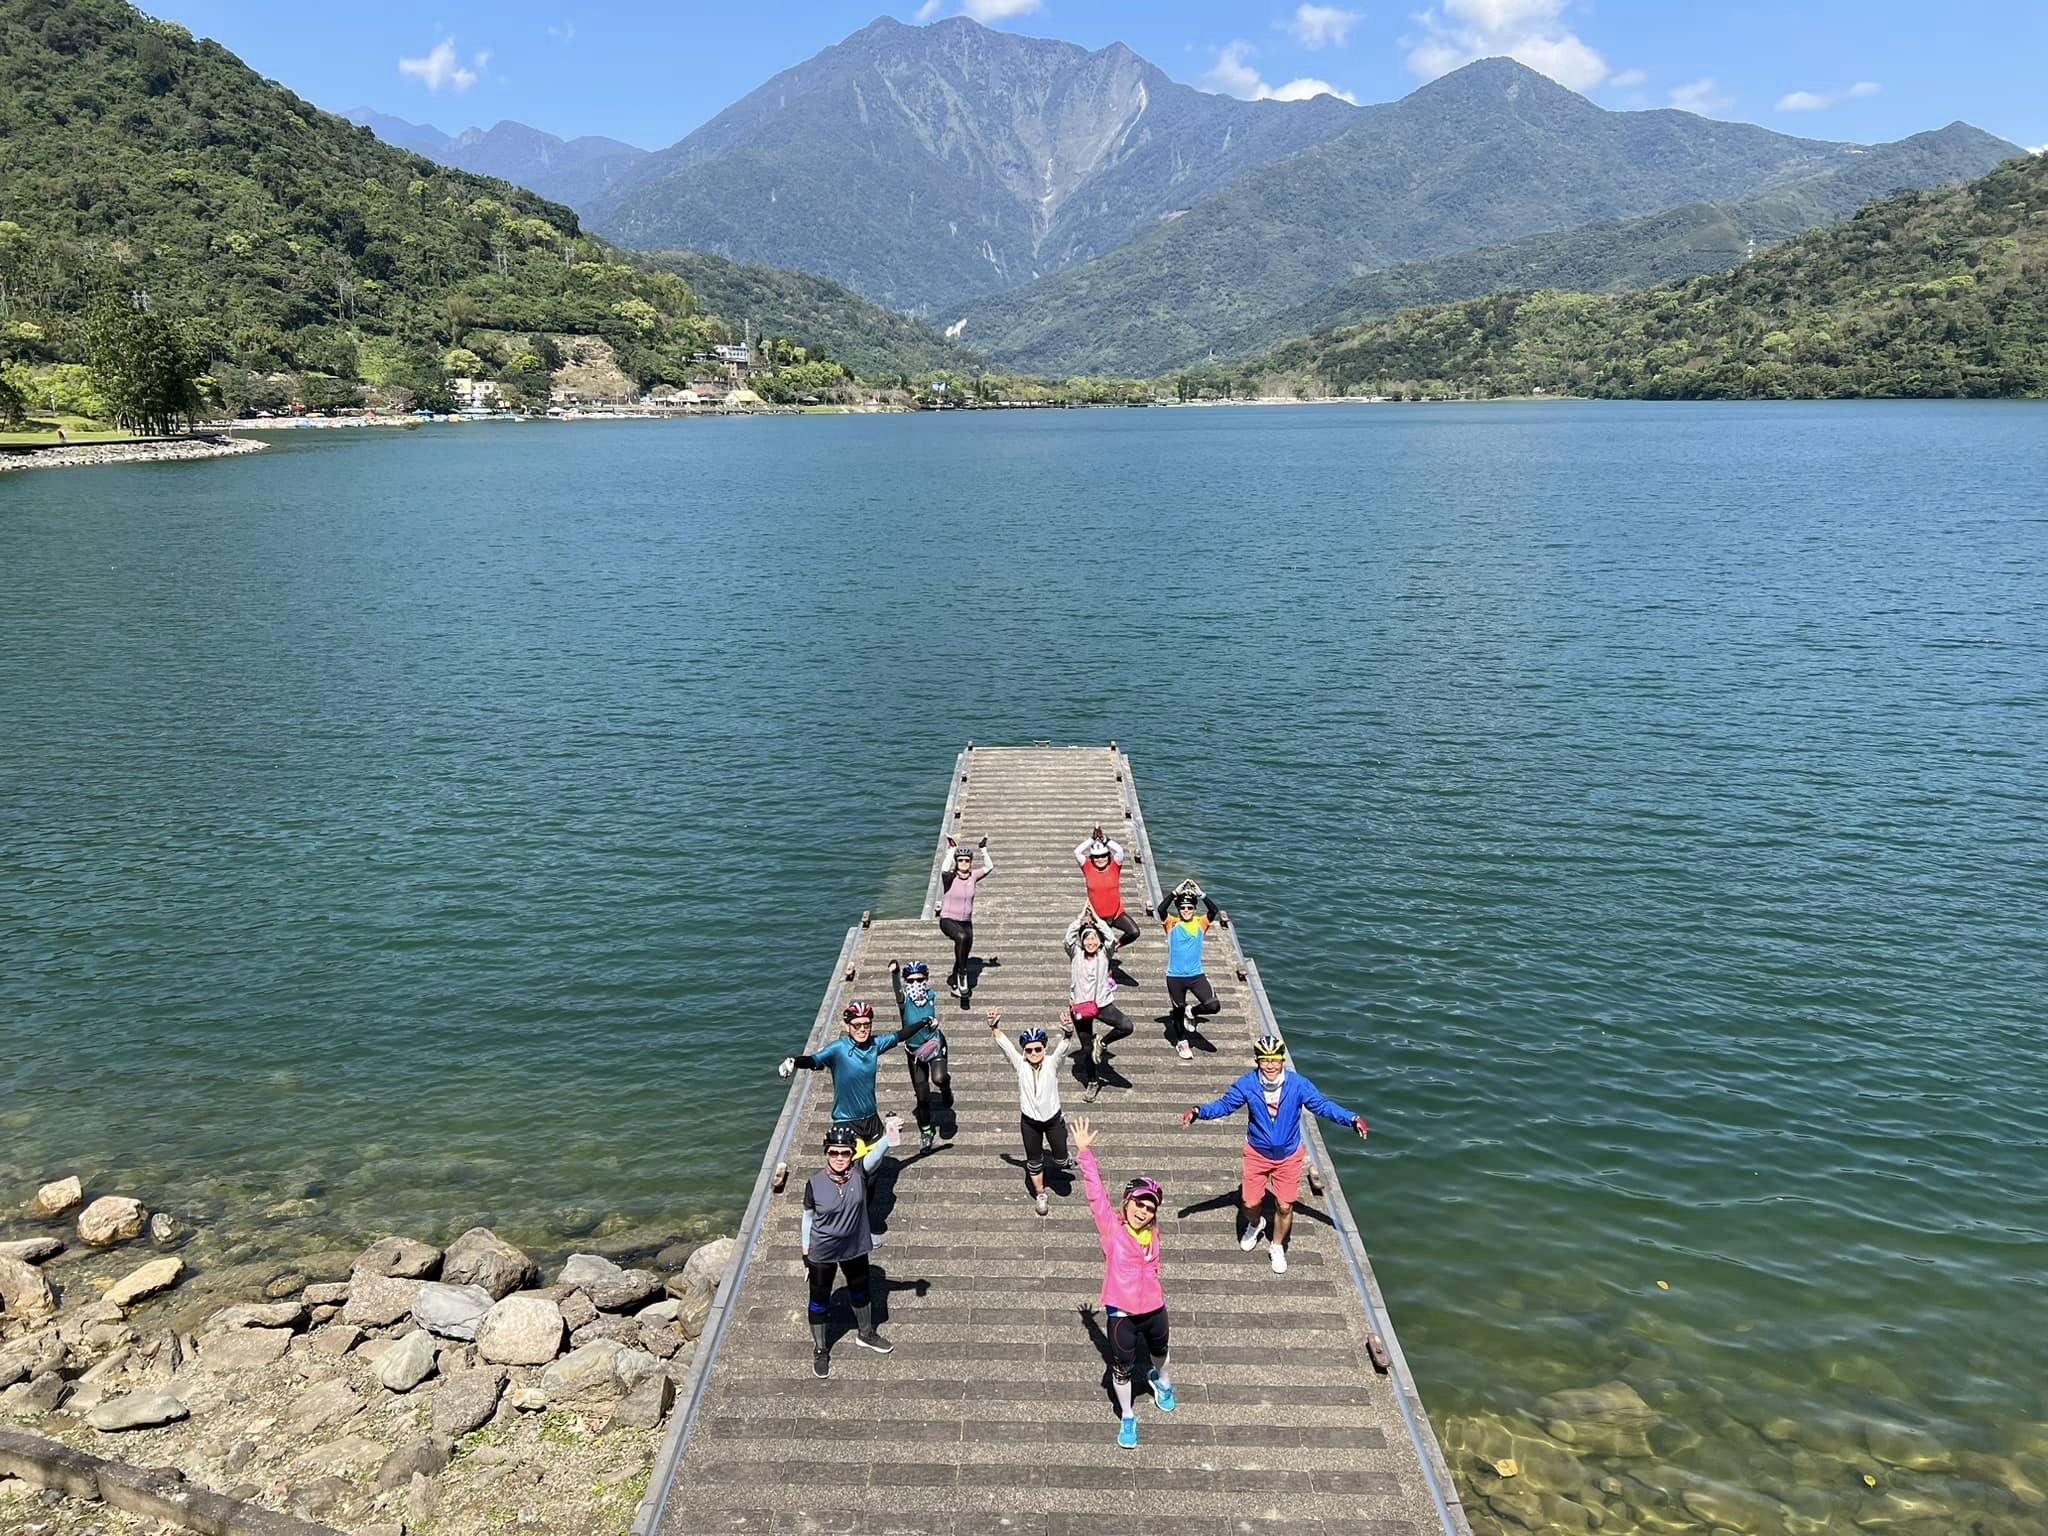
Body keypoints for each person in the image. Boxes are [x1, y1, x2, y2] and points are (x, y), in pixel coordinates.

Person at [1181, 1034, 1368, 1275]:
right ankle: (1256, 1224)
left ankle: (1277, 1245)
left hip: (1289, 1156)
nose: (1270, 1065)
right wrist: (1199, 1111)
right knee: (1249, 1203)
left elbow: (1322, 1106)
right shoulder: (1247, 1084)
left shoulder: (1298, 1085)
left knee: (1285, 1206)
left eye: (1275, 1060)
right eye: (1265, 1060)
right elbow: (1224, 1105)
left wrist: (1351, 1119)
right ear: (1257, 1061)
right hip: (1256, 1153)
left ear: (1282, 1060)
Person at [1070, 1115, 1175, 1449]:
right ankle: (1128, 1416)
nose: (1143, 1211)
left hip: (1155, 1309)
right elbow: (1096, 1196)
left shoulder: (1153, 1234)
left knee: (1161, 1354)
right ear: (1127, 1202)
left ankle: (1163, 1383)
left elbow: (1154, 1267)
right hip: (1122, 1316)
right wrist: (1085, 1153)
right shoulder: (1112, 1230)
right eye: (1139, 1204)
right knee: (1121, 1369)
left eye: (1150, 1208)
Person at [801, 1122, 895, 1378]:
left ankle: (866, 1333)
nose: (839, 1158)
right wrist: (805, 1253)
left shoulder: (859, 1174)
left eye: (845, 1153)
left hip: (855, 1247)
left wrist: (891, 1130)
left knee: (861, 1290)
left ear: (853, 1154)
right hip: (822, 1251)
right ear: (826, 1153)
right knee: (819, 1299)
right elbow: (807, 1218)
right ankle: (821, 1349)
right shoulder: (814, 1183)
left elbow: (879, 1151)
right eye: (833, 1152)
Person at [779, 1002, 903, 1151]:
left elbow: (900, 1035)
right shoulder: (838, 1048)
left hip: (871, 1118)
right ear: (847, 1026)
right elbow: (813, 1060)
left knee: (876, 1160)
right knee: (859, 1161)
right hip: (846, 1120)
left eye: (866, 1025)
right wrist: (794, 1061)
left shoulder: (874, 1044)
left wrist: (924, 1021)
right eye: (857, 1025)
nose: (862, 1029)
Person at [987, 1007, 1075, 1217]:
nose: (1034, 1054)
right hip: (1030, 1123)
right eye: (1029, 1050)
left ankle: (1064, 1157)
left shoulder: (1052, 1064)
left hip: (1053, 1120)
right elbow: (1006, 1047)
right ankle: (1040, 1194)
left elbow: (1063, 1049)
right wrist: (995, 1027)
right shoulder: (1020, 1065)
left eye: (1038, 1049)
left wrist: (1068, 1033)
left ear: (1044, 1048)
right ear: (1024, 1051)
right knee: (1034, 1162)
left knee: (1061, 1161)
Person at [1064, 911, 1133, 1104]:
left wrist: (1096, 918)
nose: (1091, 942)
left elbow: (1110, 939)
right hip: (1081, 1006)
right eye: (1087, 939)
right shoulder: (1076, 954)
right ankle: (1093, 1082)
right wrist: (1080, 919)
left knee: (1126, 1026)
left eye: (1094, 939)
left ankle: (1102, 1043)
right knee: (1087, 1049)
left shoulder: (1104, 954)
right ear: (1082, 941)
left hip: (1102, 1004)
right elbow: (1068, 939)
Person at [1160, 879, 1226, 1060]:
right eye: (1182, 908)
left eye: (1190, 908)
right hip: (1175, 977)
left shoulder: (1200, 923)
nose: (1186, 910)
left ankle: (1193, 1012)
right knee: (1178, 1011)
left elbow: (1213, 911)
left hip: (1196, 975)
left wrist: (1201, 894)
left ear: (1195, 909)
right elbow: (1161, 910)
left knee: (1213, 1005)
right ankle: (1182, 1042)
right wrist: (1174, 892)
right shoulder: (1172, 923)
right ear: (1178, 909)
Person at [889, 959, 950, 1151]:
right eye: (911, 980)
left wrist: (934, 1023)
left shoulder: (931, 995)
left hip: (934, 1045)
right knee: (922, 1097)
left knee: (939, 1078)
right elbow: (897, 990)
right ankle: (926, 1131)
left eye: (920, 979)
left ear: (926, 979)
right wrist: (895, 974)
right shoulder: (904, 1000)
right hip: (914, 1052)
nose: (916, 984)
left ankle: (946, 1087)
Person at [937, 835, 994, 1003]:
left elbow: (989, 867)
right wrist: (952, 850)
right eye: (960, 860)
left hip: (966, 922)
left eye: (967, 860)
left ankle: (955, 984)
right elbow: (944, 869)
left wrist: (983, 849)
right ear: (956, 862)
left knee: (964, 951)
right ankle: (962, 976)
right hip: (948, 919)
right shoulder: (950, 878)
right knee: (961, 937)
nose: (964, 863)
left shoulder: (973, 876)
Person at [1074, 827, 1141, 949]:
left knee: (1134, 932)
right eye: (1096, 857)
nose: (1100, 859)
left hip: (1116, 914)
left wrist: (1105, 840)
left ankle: (1117, 944)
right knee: (1098, 948)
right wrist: (1092, 839)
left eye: (1104, 856)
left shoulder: (1114, 867)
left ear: (1108, 855)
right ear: (1092, 858)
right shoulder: (1087, 867)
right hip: (1097, 918)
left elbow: (1120, 851)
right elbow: (1077, 852)